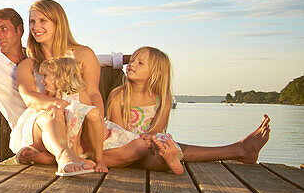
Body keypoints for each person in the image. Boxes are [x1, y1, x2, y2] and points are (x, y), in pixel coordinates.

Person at [10, 0, 153, 176]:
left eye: (42, 20)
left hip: (80, 118)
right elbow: (29, 97)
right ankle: (63, 156)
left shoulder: (83, 54)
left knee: (138, 148)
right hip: (44, 124)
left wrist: (99, 122)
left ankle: (54, 158)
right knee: (54, 114)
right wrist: (59, 104)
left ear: (58, 22)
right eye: (32, 21)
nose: (36, 26)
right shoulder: (28, 64)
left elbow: (93, 93)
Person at [107, 46, 271, 171]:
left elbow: (158, 129)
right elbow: (118, 133)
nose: (131, 64)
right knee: (171, 149)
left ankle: (171, 160)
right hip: (127, 150)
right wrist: (141, 142)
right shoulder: (118, 96)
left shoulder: (163, 99)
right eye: (132, 61)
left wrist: (153, 140)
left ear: (156, 73)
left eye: (140, 63)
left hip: (151, 147)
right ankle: (239, 150)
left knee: (166, 149)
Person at [41, 56, 176, 173]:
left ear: (61, 77)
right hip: (80, 144)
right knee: (141, 151)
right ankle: (71, 159)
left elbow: (94, 120)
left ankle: (168, 160)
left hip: (100, 141)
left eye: (45, 76)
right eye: (133, 60)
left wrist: (149, 137)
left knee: (145, 149)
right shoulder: (119, 95)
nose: (42, 81)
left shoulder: (81, 96)